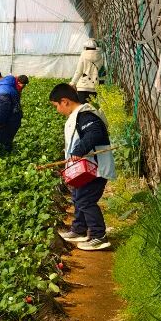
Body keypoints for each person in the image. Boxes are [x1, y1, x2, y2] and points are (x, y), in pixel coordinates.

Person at [49, 83, 115, 251]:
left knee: (86, 200)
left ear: (65, 101)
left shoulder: (86, 115)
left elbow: (95, 133)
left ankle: (99, 236)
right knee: (78, 197)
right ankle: (79, 229)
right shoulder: (78, 115)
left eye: (56, 106)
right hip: (83, 170)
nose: (57, 110)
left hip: (94, 169)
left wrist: (79, 151)